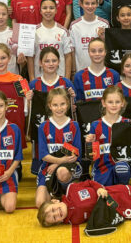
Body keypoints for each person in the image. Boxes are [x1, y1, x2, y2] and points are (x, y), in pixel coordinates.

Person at [29, 47, 76, 175]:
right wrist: (28, 100)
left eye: (54, 60)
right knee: (41, 171)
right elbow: (28, 112)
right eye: (47, 61)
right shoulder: (34, 84)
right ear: (40, 63)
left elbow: (73, 110)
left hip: (63, 135)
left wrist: (72, 99)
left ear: (59, 62)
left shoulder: (66, 83)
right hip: (41, 134)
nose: (51, 64)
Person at [35, 87, 82, 208]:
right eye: (55, 105)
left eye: (62, 104)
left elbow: (76, 154)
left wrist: (58, 163)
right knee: (40, 203)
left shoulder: (74, 125)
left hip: (68, 166)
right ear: (49, 106)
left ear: (68, 104)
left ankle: (64, 193)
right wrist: (59, 161)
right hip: (48, 167)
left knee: (62, 172)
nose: (59, 108)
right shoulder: (43, 126)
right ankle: (55, 194)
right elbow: (43, 155)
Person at [86, 86, 131, 186]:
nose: (114, 105)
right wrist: (89, 143)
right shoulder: (95, 125)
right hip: (101, 168)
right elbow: (91, 157)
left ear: (122, 103)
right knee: (101, 193)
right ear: (103, 103)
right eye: (110, 102)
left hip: (121, 166)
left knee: (122, 168)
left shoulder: (127, 123)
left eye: (117, 102)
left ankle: (122, 189)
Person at [28, 0, 73, 80]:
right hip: (39, 78)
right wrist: (32, 78)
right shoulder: (34, 32)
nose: (48, 11)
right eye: (45, 8)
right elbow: (30, 58)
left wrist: (66, 79)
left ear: (56, 10)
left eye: (51, 8)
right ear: (40, 11)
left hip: (60, 78)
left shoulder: (63, 31)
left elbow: (68, 56)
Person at [69, 0, 110, 73]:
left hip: (101, 71)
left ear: (97, 4)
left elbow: (108, 49)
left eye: (93, 3)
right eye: (87, 3)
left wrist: (103, 39)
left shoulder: (104, 24)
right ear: (81, 4)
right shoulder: (74, 26)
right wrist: (73, 71)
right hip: (80, 71)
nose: (90, 6)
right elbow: (72, 50)